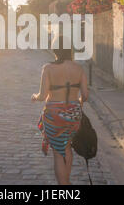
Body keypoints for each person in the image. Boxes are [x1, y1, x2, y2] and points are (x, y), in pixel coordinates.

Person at [32, 36, 89, 185]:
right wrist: (78, 105)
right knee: (67, 147)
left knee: (58, 152)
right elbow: (85, 95)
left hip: (54, 115)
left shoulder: (48, 68)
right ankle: (66, 182)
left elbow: (43, 95)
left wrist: (35, 97)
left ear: (55, 49)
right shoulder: (79, 68)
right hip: (74, 114)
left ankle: (63, 186)